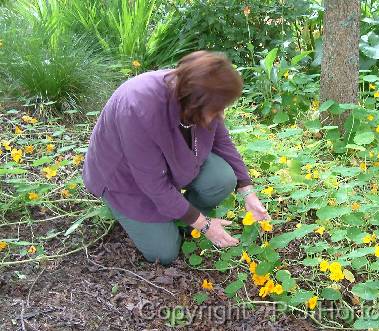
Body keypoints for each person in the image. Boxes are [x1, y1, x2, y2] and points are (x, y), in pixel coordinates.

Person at [82, 50, 270, 266]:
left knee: (223, 179)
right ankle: (161, 216)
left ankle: (181, 214)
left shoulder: (199, 92)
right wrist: (205, 225)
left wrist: (247, 191)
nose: (221, 115)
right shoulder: (138, 107)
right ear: (194, 104)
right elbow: (153, 184)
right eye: (218, 109)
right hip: (127, 179)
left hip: (170, 164)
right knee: (164, 252)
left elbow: (222, 141)